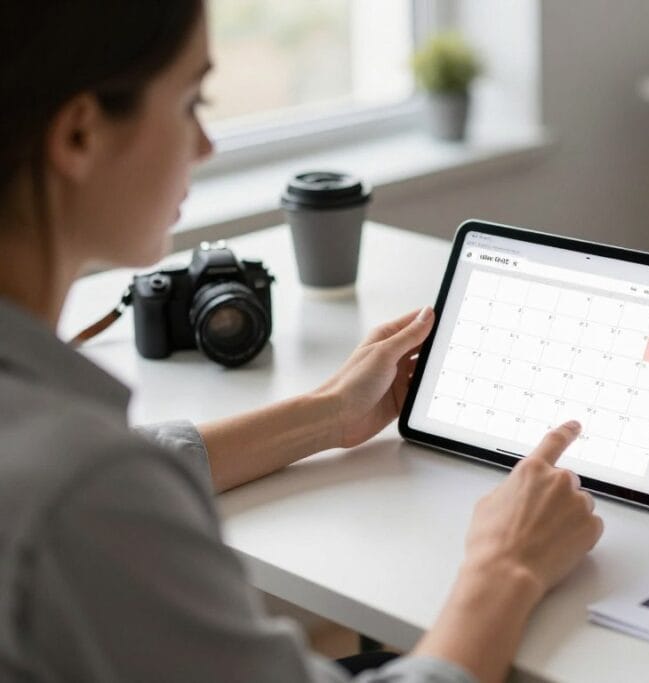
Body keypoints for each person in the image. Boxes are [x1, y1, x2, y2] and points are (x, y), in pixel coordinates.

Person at [0, 3, 603, 682]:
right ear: (79, 133)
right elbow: (90, 488)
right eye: (191, 101)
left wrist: (327, 411)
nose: (206, 145)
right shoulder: (81, 493)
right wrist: (507, 564)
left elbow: (126, 466)